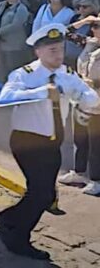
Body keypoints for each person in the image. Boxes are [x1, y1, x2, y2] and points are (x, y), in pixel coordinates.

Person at [0, 24, 99, 260]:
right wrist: (41, 92)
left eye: (60, 49)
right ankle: (18, 238)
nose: (58, 54)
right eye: (52, 50)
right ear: (38, 51)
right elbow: (5, 97)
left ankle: (8, 219)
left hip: (53, 143)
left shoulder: (67, 73)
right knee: (40, 194)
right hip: (27, 141)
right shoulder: (25, 75)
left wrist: (85, 98)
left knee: (44, 194)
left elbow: (87, 95)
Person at [60, 15, 100, 195]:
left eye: (97, 26)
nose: (94, 29)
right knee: (80, 138)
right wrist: (84, 21)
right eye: (94, 25)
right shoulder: (89, 43)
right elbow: (63, 32)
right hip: (83, 97)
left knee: (95, 143)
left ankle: (97, 180)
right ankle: (79, 172)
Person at [0, 0, 32, 82]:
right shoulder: (1, 5)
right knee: (0, 67)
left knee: (12, 68)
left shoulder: (21, 8)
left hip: (13, 45)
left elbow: (16, 25)